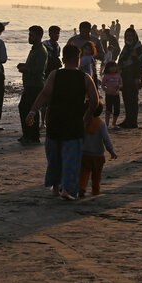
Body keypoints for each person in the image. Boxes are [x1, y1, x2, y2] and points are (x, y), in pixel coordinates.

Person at [25, 44, 99, 200]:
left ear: (63, 59)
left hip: (55, 121)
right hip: (74, 123)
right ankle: (67, 189)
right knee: (71, 158)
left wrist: (32, 111)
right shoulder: (85, 77)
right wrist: (88, 114)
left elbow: (44, 94)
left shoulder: (54, 75)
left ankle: (55, 186)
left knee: (54, 157)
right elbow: (95, 100)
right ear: (78, 60)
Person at [17, 26, 47, 144]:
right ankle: (29, 135)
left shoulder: (41, 50)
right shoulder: (35, 49)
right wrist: (24, 65)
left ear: (39, 36)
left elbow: (39, 70)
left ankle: (32, 136)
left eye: (32, 35)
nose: (30, 37)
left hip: (35, 85)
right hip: (31, 84)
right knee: (28, 109)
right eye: (29, 35)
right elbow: (33, 65)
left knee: (29, 109)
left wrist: (25, 69)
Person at [79, 102, 117, 197]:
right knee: (96, 175)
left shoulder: (84, 122)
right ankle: (95, 190)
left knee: (84, 173)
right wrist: (111, 150)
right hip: (98, 155)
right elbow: (106, 139)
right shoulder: (101, 124)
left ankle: (82, 188)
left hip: (85, 153)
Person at [117, 28, 142, 129]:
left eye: (130, 36)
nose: (129, 38)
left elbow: (141, 63)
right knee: (126, 99)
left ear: (135, 37)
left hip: (134, 77)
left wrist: (137, 77)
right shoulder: (126, 48)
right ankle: (127, 120)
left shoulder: (138, 48)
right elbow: (121, 63)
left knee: (133, 100)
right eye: (127, 36)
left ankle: (133, 122)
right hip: (125, 77)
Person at [101, 61, 122, 128]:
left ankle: (114, 123)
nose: (113, 69)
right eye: (111, 67)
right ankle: (106, 125)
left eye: (114, 67)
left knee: (117, 110)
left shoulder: (118, 75)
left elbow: (121, 84)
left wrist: (119, 86)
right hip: (108, 95)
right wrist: (106, 89)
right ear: (108, 68)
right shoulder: (106, 76)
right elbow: (102, 85)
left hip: (116, 95)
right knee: (108, 110)